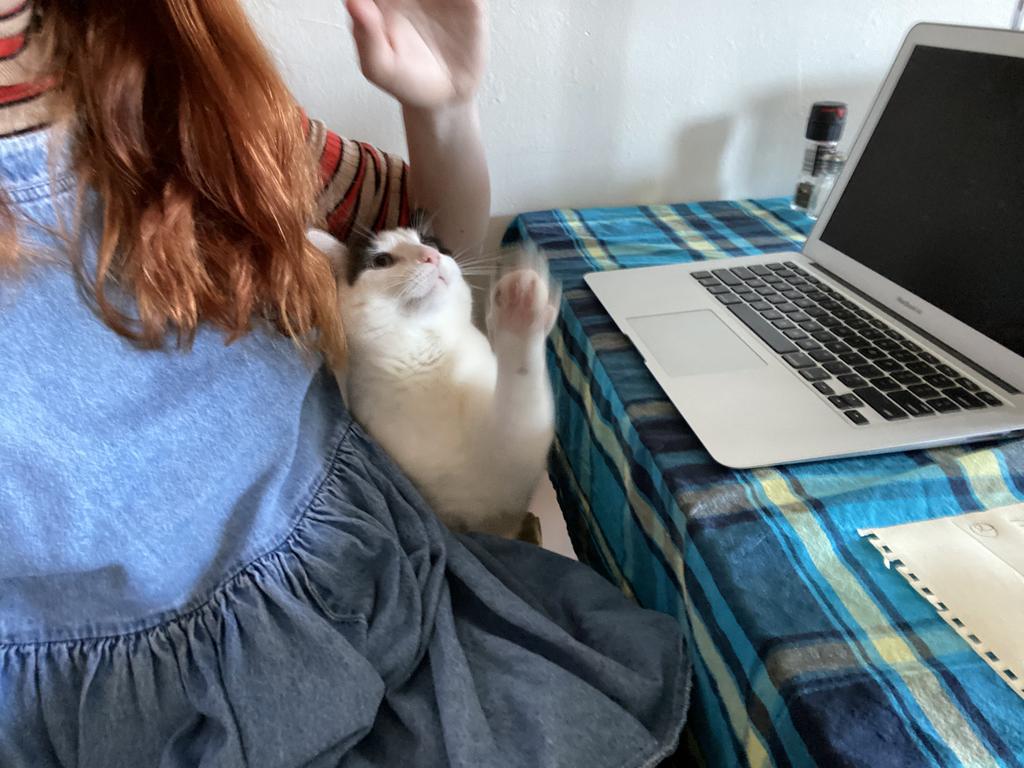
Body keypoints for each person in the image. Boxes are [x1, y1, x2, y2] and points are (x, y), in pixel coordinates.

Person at [0, 1, 689, 765]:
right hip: (99, 693)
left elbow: (431, 236)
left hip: (362, 578)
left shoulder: (171, 65)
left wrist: (444, 109)